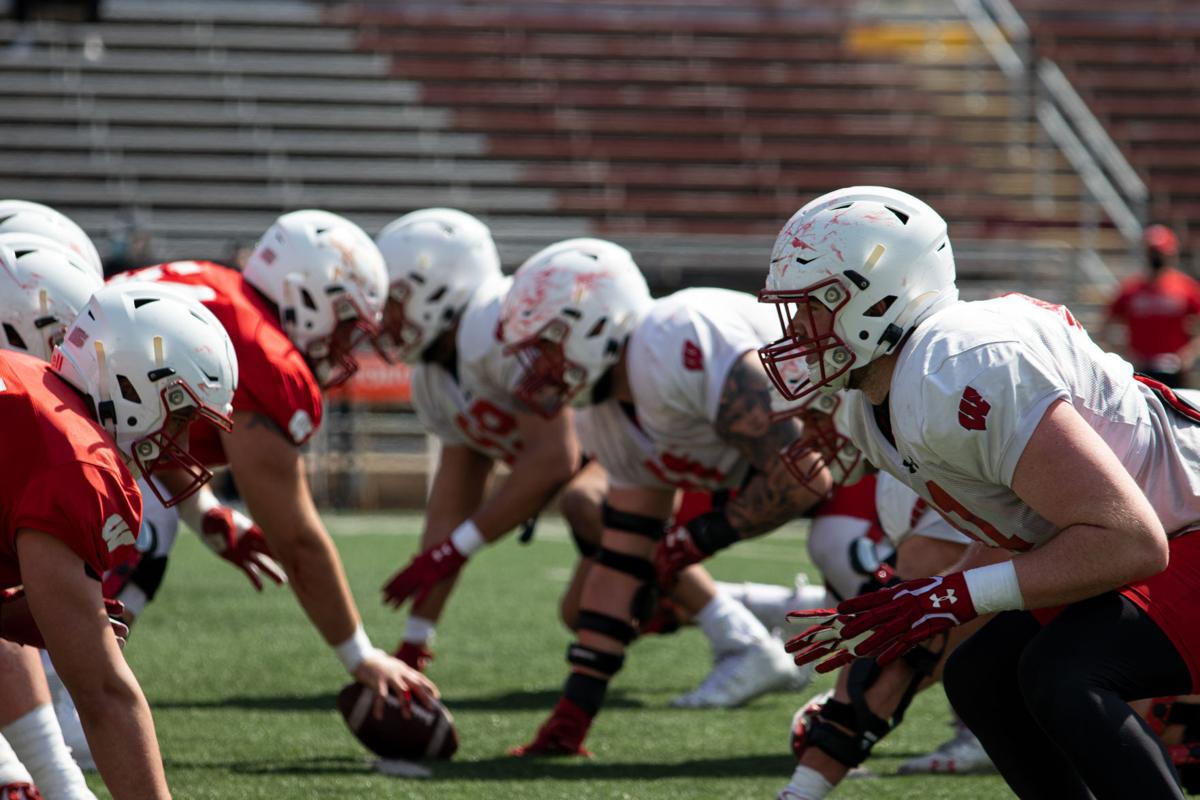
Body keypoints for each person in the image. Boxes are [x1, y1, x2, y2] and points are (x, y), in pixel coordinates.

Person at [765, 186, 1200, 800]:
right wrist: (930, 599)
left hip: (1178, 527)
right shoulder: (884, 398)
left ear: (881, 296)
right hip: (1163, 529)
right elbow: (1028, 530)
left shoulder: (958, 365)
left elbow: (1128, 542)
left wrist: (950, 594)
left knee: (1066, 673)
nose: (798, 329)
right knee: (981, 675)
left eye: (817, 304)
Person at [503, 241, 829, 757]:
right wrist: (574, 714)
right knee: (585, 599)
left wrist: (692, 542)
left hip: (864, 448)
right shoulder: (603, 412)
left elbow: (802, 478)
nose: (536, 369)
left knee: (843, 547)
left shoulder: (677, 340)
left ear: (593, 322)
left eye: (545, 346)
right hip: (812, 465)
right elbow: (622, 556)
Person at [118, 209, 438, 723]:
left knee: (148, 511)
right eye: (348, 321)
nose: (346, 343)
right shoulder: (265, 355)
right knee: (138, 530)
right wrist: (361, 655)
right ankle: (55, 692)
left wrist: (205, 515)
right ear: (308, 294)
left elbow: (136, 427)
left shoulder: (216, 283)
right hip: (47, 432)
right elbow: (296, 539)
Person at [2, 279, 242, 799]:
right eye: (180, 417)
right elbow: (105, 694)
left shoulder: (26, 377)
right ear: (132, 385)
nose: (178, 444)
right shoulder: (79, 460)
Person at [1103, 223, 1200, 388]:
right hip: (1141, 369)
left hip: (1175, 369)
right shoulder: (1131, 289)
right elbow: (1106, 326)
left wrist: (1188, 356)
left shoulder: (1185, 287)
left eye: (1160, 253)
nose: (1156, 257)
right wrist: (1126, 354)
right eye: (1152, 252)